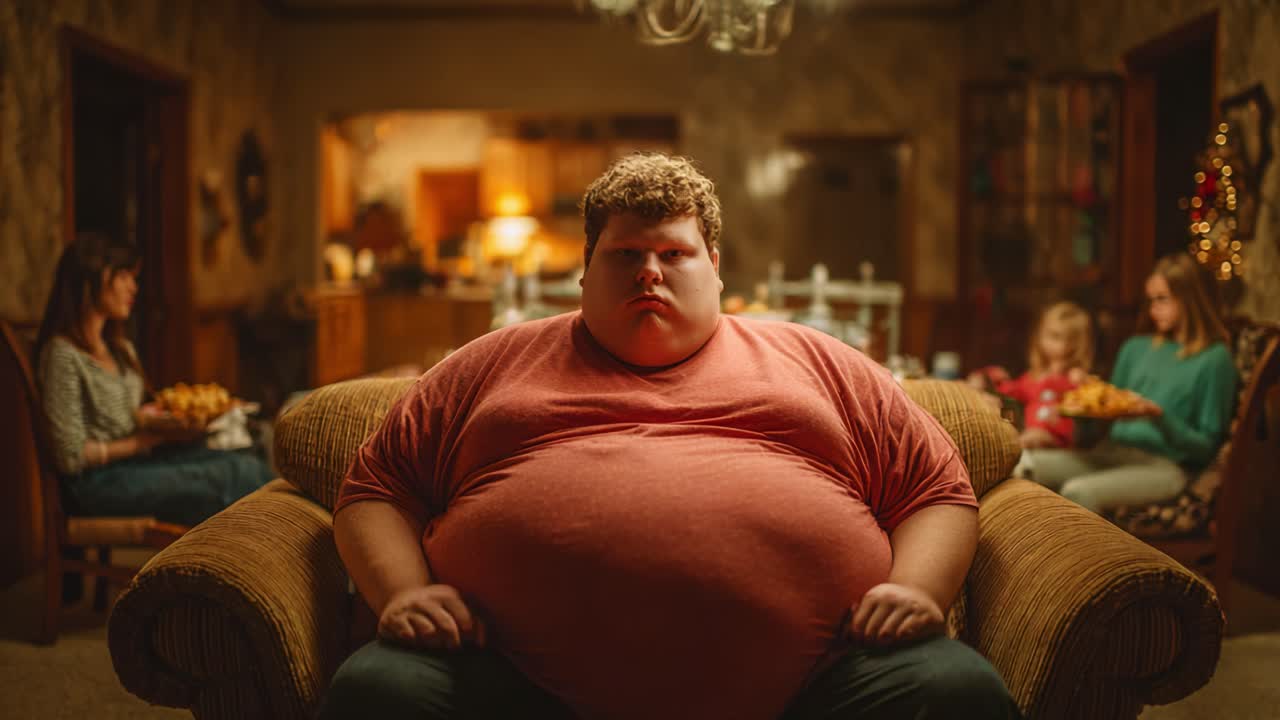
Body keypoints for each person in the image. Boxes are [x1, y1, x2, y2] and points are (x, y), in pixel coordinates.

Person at [320, 154, 1020, 720]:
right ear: (586, 269)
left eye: (674, 254)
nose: (649, 272)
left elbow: (937, 489)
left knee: (958, 693)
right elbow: (376, 488)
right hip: (505, 685)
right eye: (625, 254)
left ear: (716, 266)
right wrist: (405, 593)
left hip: (822, 687)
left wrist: (918, 591)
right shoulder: (490, 362)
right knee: (376, 694)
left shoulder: (819, 361)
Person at [36, 233, 273, 528]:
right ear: (90, 278)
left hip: (138, 461)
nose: (133, 287)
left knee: (248, 449)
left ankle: (278, 552)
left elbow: (136, 415)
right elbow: (69, 456)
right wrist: (142, 442)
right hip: (97, 484)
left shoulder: (120, 349)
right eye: (123, 275)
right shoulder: (62, 354)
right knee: (236, 474)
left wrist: (171, 426)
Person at [1017, 253, 1238, 514]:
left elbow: (1205, 448)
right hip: (1111, 454)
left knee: (1079, 492)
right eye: (1150, 299)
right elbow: (1104, 414)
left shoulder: (1215, 360)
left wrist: (1158, 417)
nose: (1153, 308)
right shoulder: (1135, 348)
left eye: (1162, 299)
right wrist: (1074, 410)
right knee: (1021, 465)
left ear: (1190, 299)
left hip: (1166, 468)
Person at [971, 301, 1094, 449]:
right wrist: (989, 377)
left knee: (1029, 438)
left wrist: (1083, 382)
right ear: (1040, 335)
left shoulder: (1074, 375)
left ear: (1078, 343)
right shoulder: (1035, 376)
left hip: (1059, 438)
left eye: (1070, 339)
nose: (1063, 345)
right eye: (1054, 336)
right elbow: (1013, 391)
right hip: (1032, 434)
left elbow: (1090, 403)